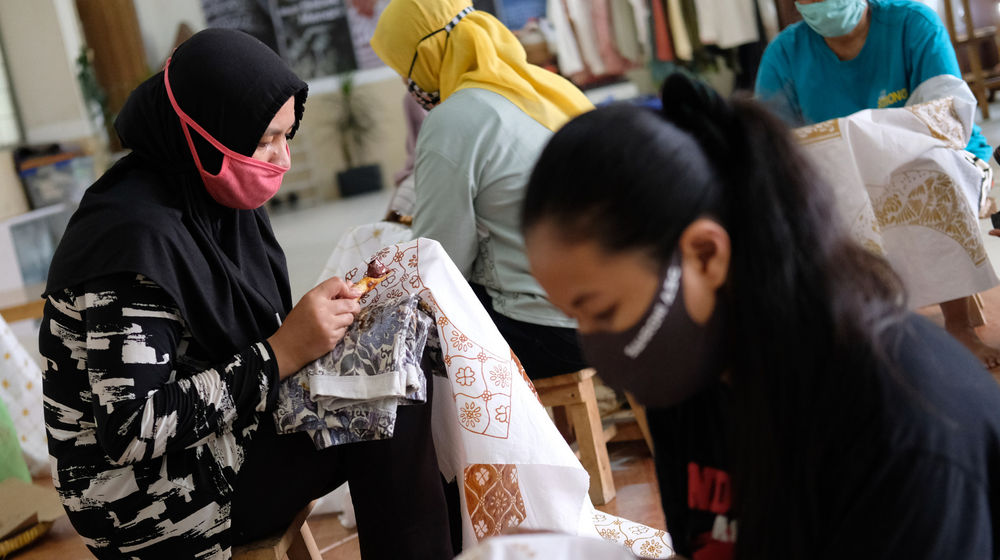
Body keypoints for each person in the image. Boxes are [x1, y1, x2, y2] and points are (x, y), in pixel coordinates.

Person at [522, 72, 1000, 558]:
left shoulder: (902, 425)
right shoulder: (687, 381)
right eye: (572, 316)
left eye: (602, 310)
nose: (595, 347)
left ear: (706, 255)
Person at [39, 29, 454, 559]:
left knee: (400, 349)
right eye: (263, 141)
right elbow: (130, 428)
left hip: (219, 438)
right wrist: (282, 352)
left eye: (287, 135)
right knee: (386, 399)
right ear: (202, 134)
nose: (281, 158)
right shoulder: (132, 241)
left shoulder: (211, 202)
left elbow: (249, 339)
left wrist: (321, 324)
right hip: (141, 501)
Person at [754, 0, 1000, 368]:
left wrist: (867, 140)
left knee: (929, 172)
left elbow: (947, 117)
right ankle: (856, 337)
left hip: (932, 158)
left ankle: (959, 326)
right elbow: (771, 145)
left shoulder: (913, 25)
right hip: (840, 174)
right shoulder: (785, 54)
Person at [370, 0, 595, 379]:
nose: (408, 86)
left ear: (426, 56)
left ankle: (515, 439)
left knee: (405, 347)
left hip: (554, 330)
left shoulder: (453, 119)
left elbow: (439, 261)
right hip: (618, 305)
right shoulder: (544, 87)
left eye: (404, 70)